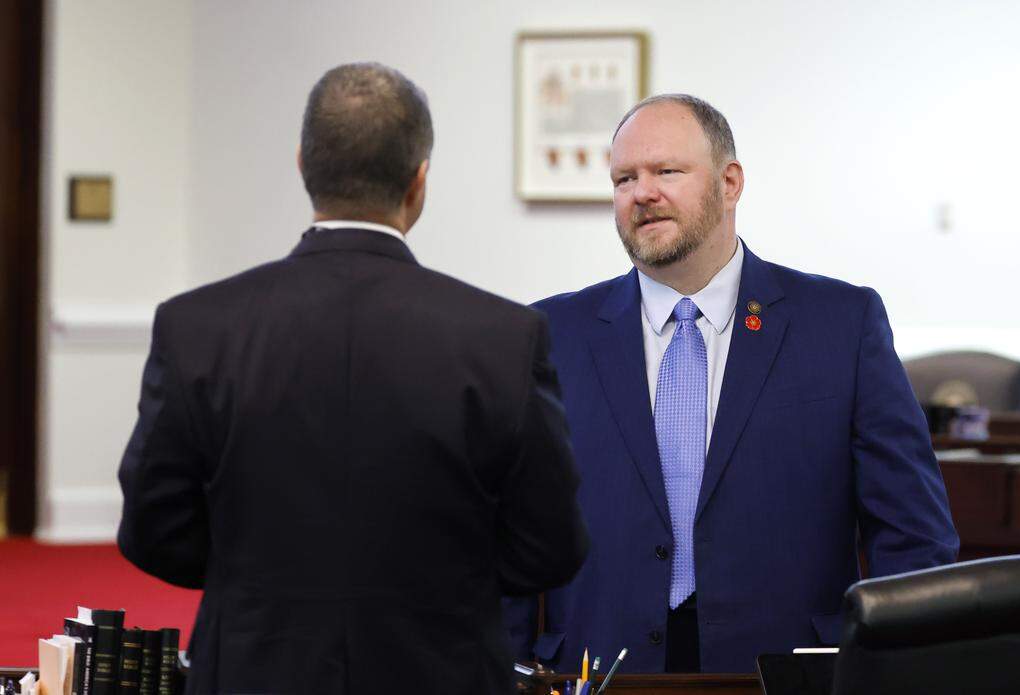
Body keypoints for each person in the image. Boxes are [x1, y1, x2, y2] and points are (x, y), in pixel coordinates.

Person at [117, 62, 589, 694]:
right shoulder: (502, 336)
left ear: (302, 166)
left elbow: (153, 530)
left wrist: (257, 578)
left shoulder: (198, 328)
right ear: (419, 181)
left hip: (254, 670)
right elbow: (549, 544)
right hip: (441, 669)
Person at [505, 94, 958, 674]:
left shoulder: (841, 325)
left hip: (788, 673)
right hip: (601, 673)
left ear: (730, 183)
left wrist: (894, 677)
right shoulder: (552, 335)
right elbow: (511, 541)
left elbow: (913, 536)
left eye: (667, 171)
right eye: (624, 178)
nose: (643, 192)